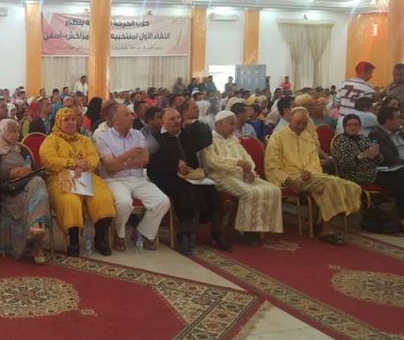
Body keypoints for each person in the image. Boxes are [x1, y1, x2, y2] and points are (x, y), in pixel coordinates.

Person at [265, 107, 361, 245]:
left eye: (304, 123)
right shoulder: (278, 137)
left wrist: (309, 172)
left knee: (351, 186)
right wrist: (290, 181)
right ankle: (326, 229)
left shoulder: (307, 137)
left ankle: (320, 221)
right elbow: (271, 166)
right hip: (291, 178)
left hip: (311, 176)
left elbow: (314, 162)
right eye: (298, 123)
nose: (301, 126)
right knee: (332, 183)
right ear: (290, 119)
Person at [149, 108, 230, 255]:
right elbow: (152, 165)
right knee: (186, 193)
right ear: (162, 121)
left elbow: (207, 138)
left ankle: (217, 231)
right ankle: (184, 233)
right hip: (167, 177)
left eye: (178, 117)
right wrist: (174, 164)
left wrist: (194, 123)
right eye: (172, 119)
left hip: (192, 176)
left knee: (212, 191)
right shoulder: (155, 138)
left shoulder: (187, 135)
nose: (177, 121)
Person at [332, 114, 404, 237]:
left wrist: (376, 155)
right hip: (354, 174)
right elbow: (342, 164)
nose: (353, 127)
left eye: (356, 124)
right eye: (349, 125)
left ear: (360, 126)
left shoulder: (363, 138)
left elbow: (380, 160)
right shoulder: (340, 140)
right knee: (401, 184)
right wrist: (360, 156)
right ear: (344, 126)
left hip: (374, 170)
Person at [40, 108, 116, 256]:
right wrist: (73, 163)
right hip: (60, 176)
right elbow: (48, 160)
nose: (70, 123)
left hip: (86, 175)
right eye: (66, 120)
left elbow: (94, 157)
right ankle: (73, 241)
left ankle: (100, 239)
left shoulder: (84, 139)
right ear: (58, 122)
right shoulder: (51, 140)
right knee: (70, 202)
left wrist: (84, 165)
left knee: (104, 198)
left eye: (73, 119)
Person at [96, 108, 169, 252]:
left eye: (132, 114)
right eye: (127, 115)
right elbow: (109, 166)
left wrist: (120, 164)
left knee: (162, 201)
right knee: (123, 203)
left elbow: (144, 159)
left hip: (137, 179)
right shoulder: (103, 138)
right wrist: (129, 155)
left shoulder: (138, 134)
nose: (132, 117)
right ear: (116, 119)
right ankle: (119, 235)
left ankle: (142, 232)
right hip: (115, 181)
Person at [203, 111, 283, 240]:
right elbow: (212, 161)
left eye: (234, 124)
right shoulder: (209, 139)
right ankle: (246, 231)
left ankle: (261, 228)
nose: (234, 127)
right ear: (219, 123)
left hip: (241, 174)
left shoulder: (233, 139)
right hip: (221, 177)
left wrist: (250, 169)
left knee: (274, 190)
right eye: (231, 124)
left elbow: (246, 157)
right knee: (250, 193)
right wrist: (238, 163)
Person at [0, 119, 50, 263]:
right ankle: (37, 244)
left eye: (17, 131)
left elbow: (33, 170)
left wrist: (27, 171)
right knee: (35, 200)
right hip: (9, 192)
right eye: (11, 132)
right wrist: (10, 174)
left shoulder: (22, 150)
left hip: (27, 186)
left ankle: (35, 228)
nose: (16, 135)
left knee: (38, 181)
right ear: (3, 133)